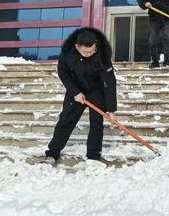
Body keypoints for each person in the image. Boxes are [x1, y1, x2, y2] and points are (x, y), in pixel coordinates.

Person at [44, 27, 117, 164]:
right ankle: (52, 153)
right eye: (85, 51)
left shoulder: (102, 55)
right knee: (66, 120)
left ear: (96, 45)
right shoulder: (68, 53)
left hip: (96, 90)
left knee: (96, 122)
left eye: (92, 51)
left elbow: (109, 81)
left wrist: (111, 109)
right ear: (77, 47)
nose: (89, 54)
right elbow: (63, 73)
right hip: (76, 88)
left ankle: (94, 155)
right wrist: (75, 92)